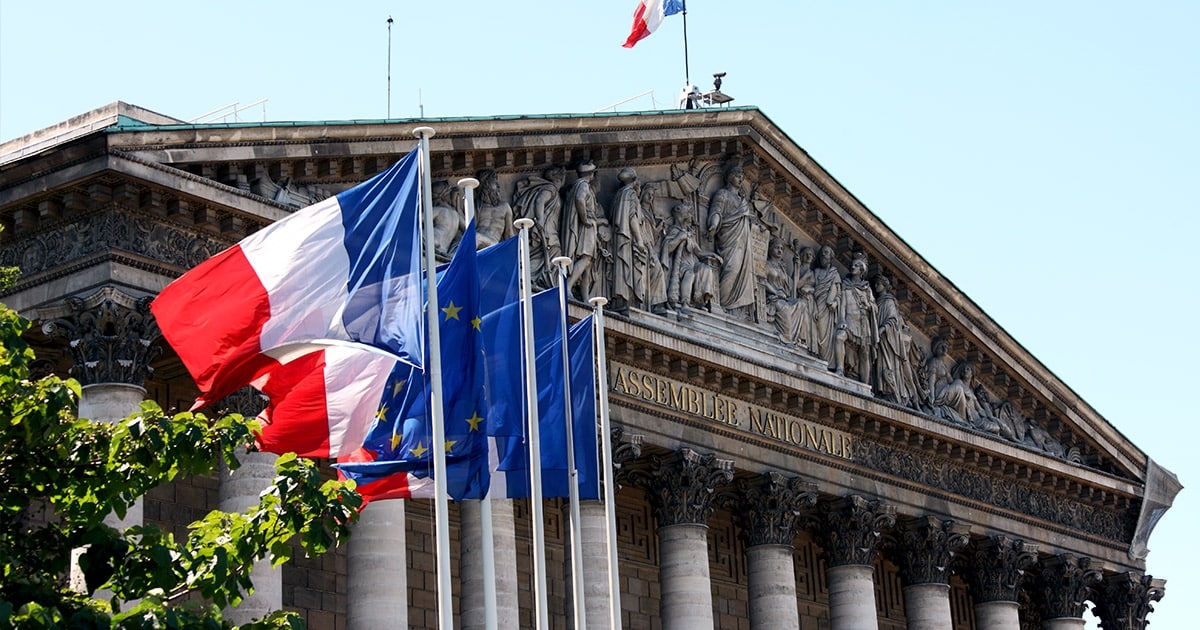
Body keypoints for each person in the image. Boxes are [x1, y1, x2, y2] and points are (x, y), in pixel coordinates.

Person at [610, 169, 666, 313]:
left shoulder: (620, 194)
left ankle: (623, 300)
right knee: (632, 268)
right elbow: (632, 218)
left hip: (621, 239)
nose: (650, 197)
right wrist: (640, 241)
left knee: (625, 268)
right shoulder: (631, 194)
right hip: (630, 240)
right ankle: (631, 301)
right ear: (635, 182)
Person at [706, 164, 756, 318]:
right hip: (728, 239)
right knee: (731, 269)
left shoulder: (743, 201)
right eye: (737, 176)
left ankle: (737, 309)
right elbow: (717, 211)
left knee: (743, 273)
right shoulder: (723, 194)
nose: (740, 179)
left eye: (742, 177)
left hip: (743, 243)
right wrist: (714, 225)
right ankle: (724, 304)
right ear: (729, 177)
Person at [512, 165, 565, 289]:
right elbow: (540, 200)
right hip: (547, 229)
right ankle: (535, 278)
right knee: (553, 251)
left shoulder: (553, 191)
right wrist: (540, 221)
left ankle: (534, 278)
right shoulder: (551, 188)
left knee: (543, 254)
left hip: (550, 229)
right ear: (560, 179)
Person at [661, 202, 719, 311]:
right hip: (680, 265)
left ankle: (699, 301)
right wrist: (680, 237)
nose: (690, 217)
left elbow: (699, 252)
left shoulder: (690, 235)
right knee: (690, 274)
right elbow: (668, 248)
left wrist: (713, 254)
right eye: (688, 214)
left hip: (693, 263)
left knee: (706, 269)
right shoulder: (675, 230)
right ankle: (685, 302)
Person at [873, 275, 919, 408]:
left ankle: (891, 392)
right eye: (875, 284)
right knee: (881, 363)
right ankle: (882, 389)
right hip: (880, 339)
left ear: (885, 285)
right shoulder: (878, 301)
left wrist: (882, 329)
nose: (876, 286)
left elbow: (892, 319)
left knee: (889, 364)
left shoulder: (889, 301)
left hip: (889, 339)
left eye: (878, 283)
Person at [564, 161, 608, 300]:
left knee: (588, 264)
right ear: (591, 174)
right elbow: (579, 199)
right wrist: (585, 219)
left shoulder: (579, 185)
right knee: (586, 259)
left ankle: (585, 298)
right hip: (586, 228)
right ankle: (567, 286)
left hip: (590, 227)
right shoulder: (583, 185)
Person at [833, 252, 878, 382]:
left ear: (862, 270)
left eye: (857, 265)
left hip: (862, 322)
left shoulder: (866, 289)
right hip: (849, 320)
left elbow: (875, 307)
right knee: (839, 336)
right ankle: (840, 369)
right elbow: (842, 304)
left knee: (864, 352)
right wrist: (841, 319)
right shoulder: (845, 285)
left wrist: (868, 305)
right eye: (852, 265)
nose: (853, 267)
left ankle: (865, 384)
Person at [764, 237, 804, 346]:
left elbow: (792, 285)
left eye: (781, 248)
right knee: (784, 308)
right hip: (772, 298)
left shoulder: (782, 269)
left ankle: (795, 338)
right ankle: (786, 338)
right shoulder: (767, 264)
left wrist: (797, 267)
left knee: (801, 304)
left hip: (783, 298)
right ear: (770, 249)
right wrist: (775, 292)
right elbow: (762, 280)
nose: (780, 250)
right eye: (777, 247)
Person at [812, 245, 842, 366]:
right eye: (822, 253)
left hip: (829, 309)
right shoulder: (816, 272)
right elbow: (813, 288)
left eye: (826, 252)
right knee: (818, 330)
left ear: (831, 257)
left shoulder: (835, 274)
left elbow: (839, 294)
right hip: (817, 304)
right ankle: (817, 356)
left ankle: (827, 362)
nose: (824, 255)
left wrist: (835, 303)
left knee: (828, 335)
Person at [473, 169, 514, 249]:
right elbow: (469, 227)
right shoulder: (478, 205)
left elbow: (509, 233)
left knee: (475, 237)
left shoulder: (504, 207)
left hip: (494, 244)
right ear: (485, 185)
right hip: (479, 243)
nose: (498, 186)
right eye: (494, 182)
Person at [792, 246, 817, 353]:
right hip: (801, 298)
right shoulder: (799, 269)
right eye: (806, 254)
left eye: (811, 254)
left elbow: (816, 289)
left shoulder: (813, 272)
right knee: (804, 320)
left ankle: (808, 345)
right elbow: (796, 285)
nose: (808, 256)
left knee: (810, 323)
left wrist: (810, 290)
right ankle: (801, 340)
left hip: (811, 301)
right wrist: (806, 276)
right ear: (802, 256)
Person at [430, 180, 463, 260]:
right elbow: (468, 229)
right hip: (444, 248)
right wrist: (458, 207)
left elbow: (416, 222)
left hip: (433, 241)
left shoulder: (439, 210)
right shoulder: (456, 215)